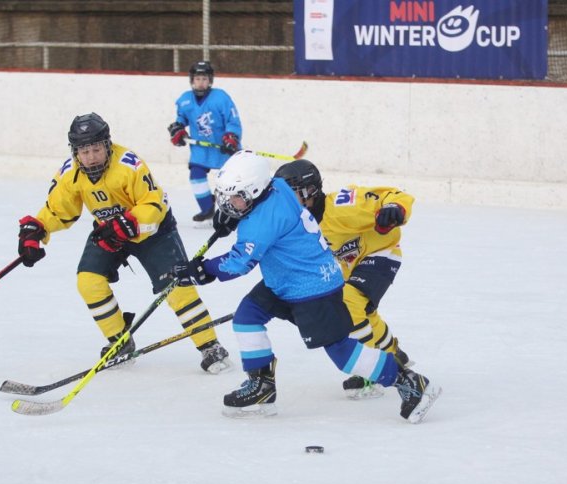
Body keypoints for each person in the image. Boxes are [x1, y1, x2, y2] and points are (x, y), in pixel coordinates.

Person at [175, 150, 441, 424]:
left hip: (312, 288)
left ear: (255, 190)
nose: (229, 203)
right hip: (284, 280)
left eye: (236, 197)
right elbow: (258, 214)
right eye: (228, 197)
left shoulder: (263, 221)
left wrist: (201, 271)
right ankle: (261, 387)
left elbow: (239, 263)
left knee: (342, 353)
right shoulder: (277, 186)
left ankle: (410, 383)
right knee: (247, 317)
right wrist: (236, 214)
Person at [17, 112, 231, 374]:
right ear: (75, 151)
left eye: (96, 149)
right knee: (88, 280)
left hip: (153, 231)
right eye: (84, 151)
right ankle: (119, 341)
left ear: (107, 144)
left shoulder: (128, 164)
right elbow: (59, 209)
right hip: (109, 233)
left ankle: (210, 345)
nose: (91, 156)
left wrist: (130, 223)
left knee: (177, 286)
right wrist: (37, 229)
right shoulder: (70, 173)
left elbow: (154, 202)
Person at [274, 160, 414, 399]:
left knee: (349, 303)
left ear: (310, 191)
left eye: (291, 193)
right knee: (365, 312)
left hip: (381, 252)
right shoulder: (301, 224)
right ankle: (393, 353)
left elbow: (394, 195)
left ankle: (371, 371)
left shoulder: (341, 206)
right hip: (352, 265)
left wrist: (395, 208)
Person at [167, 60, 243, 223]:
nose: (201, 83)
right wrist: (178, 129)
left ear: (210, 80)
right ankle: (208, 208)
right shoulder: (185, 100)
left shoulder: (220, 97)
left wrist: (232, 136)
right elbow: (182, 118)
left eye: (204, 79)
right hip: (201, 149)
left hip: (223, 147)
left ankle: (235, 211)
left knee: (230, 183)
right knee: (196, 176)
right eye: (197, 79)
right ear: (192, 80)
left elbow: (233, 120)